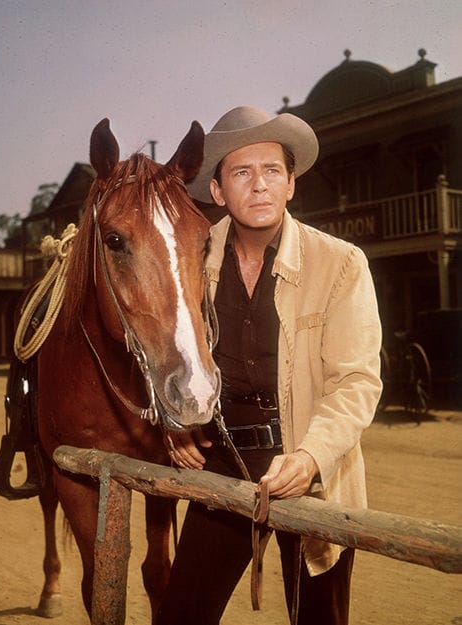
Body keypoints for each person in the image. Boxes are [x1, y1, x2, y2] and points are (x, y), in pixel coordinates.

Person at [156, 106, 382, 625]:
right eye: (242, 172)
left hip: (313, 466)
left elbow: (355, 382)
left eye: (272, 170)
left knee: (320, 618)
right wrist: (175, 420)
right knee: (181, 615)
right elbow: (160, 348)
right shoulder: (189, 259)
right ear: (218, 192)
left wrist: (309, 457)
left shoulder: (341, 263)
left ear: (291, 184)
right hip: (224, 462)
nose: (259, 185)